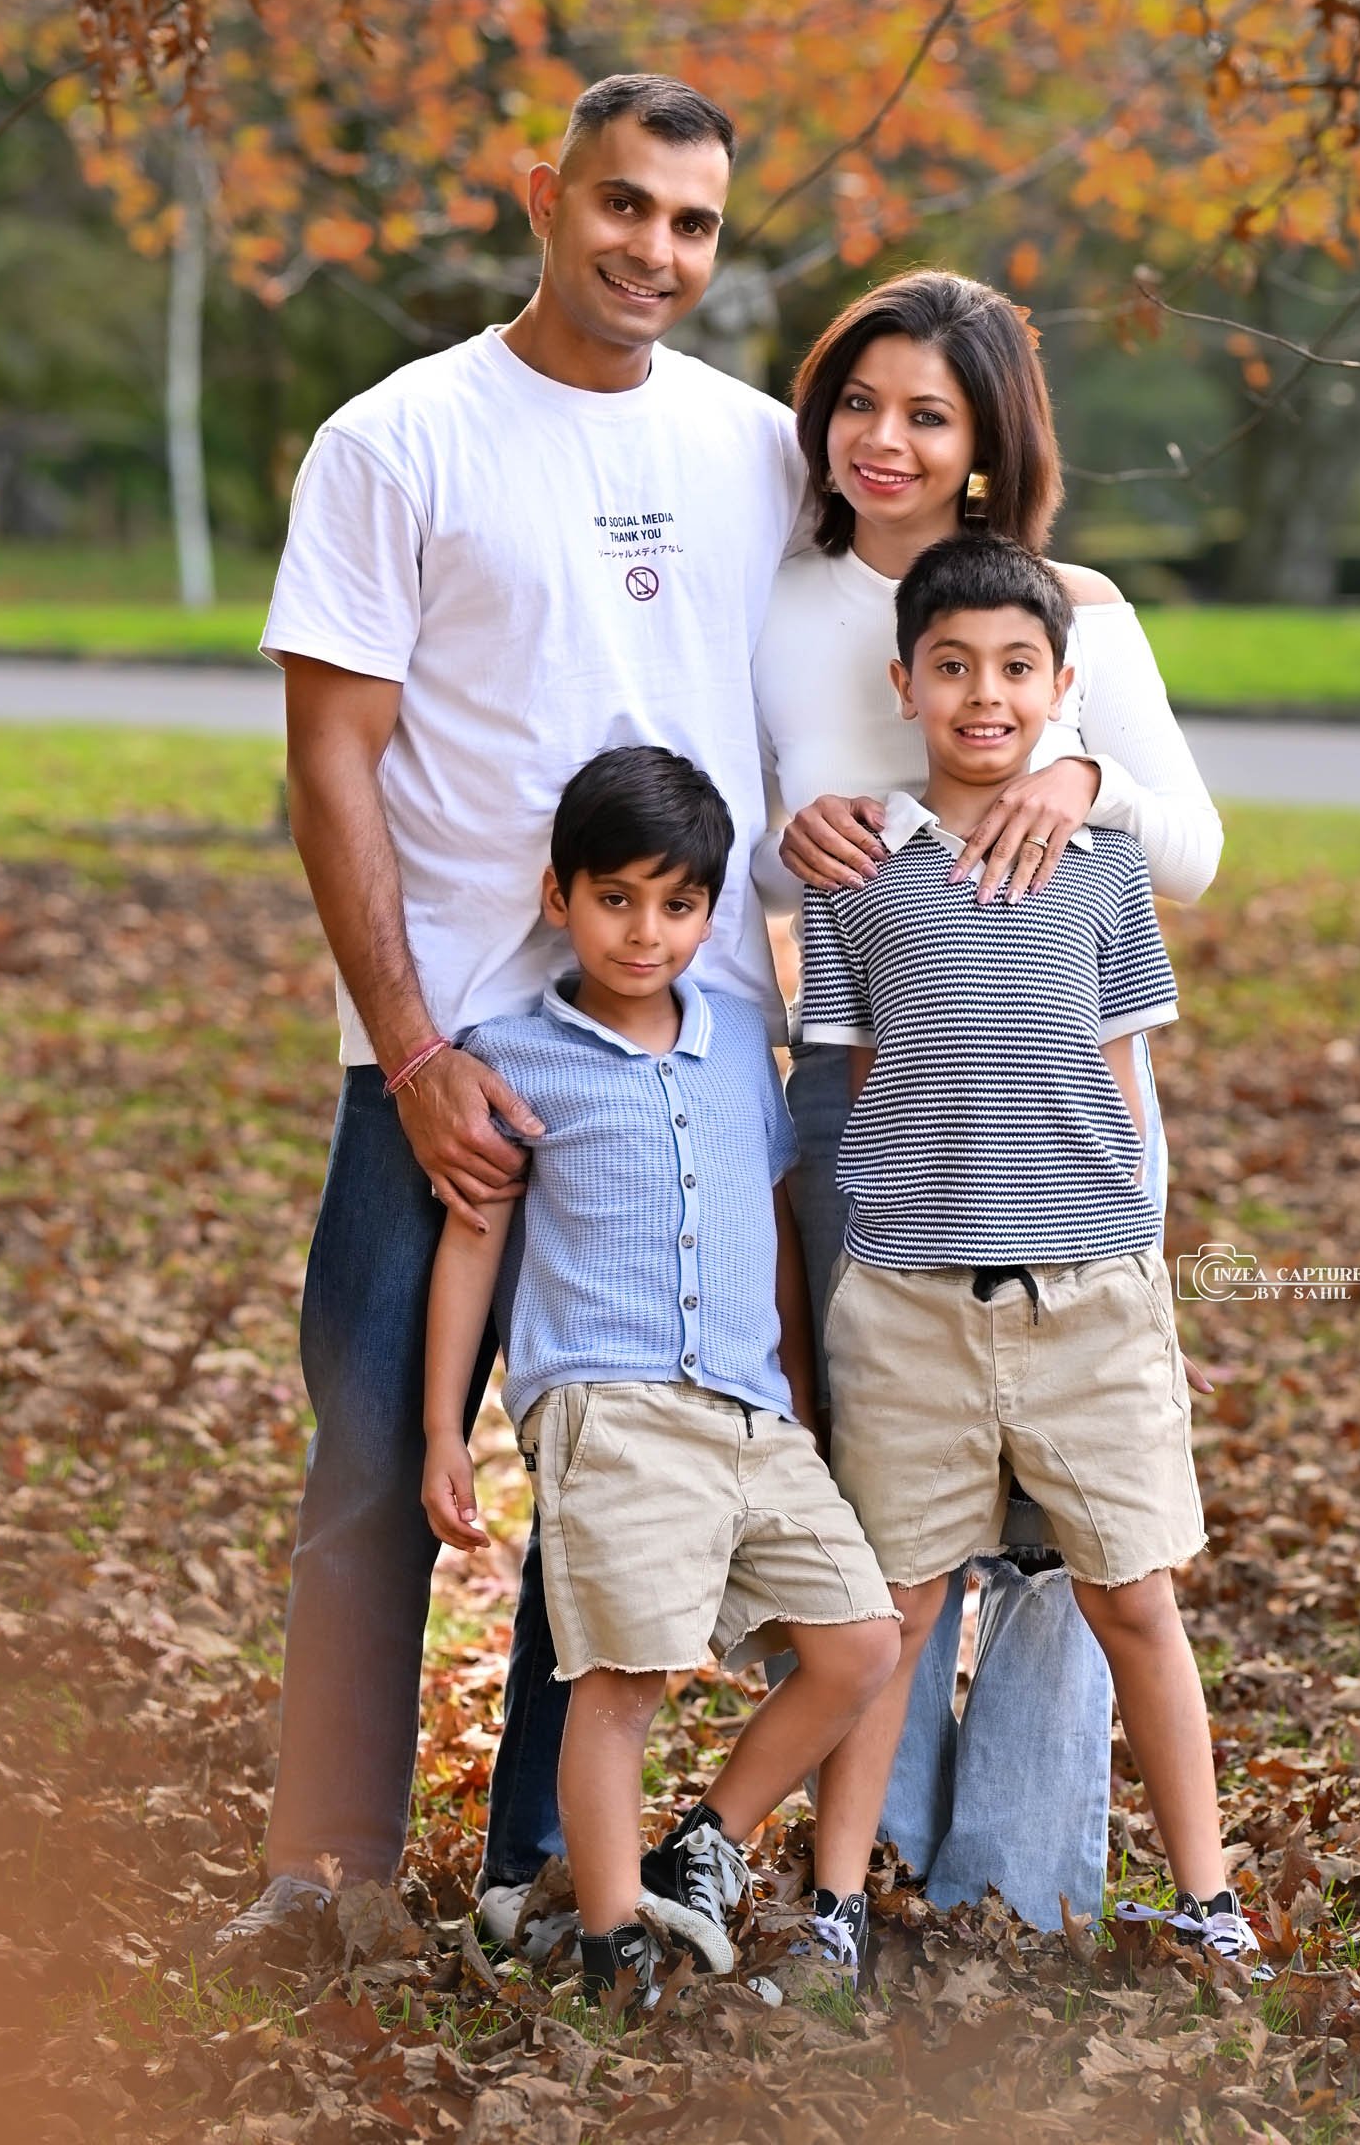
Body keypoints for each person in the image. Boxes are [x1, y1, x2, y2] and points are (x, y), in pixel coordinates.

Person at [221, 73, 810, 1944]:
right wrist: (408, 1050)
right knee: (377, 1460)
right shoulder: (399, 439)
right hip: (453, 1051)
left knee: (621, 1496)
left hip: (684, 1056)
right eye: (624, 206)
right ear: (542, 195)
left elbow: (914, 625)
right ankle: (324, 1872)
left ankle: (561, 1874)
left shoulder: (762, 449)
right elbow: (332, 763)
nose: (655, 250)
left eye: (694, 223)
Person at [751, 269, 1223, 1929]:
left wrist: (1078, 768)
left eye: (925, 413)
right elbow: (737, 839)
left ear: (982, 444)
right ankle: (864, 1860)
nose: (882, 438)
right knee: (904, 1502)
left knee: (1080, 1527)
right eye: (857, 402)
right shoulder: (784, 599)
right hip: (875, 1095)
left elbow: (1189, 845)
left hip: (1070, 1125)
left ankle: (1025, 1868)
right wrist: (782, 848)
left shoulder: (1071, 615)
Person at [799, 532, 1263, 1973]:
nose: (981, 696)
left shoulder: (1104, 869)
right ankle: (824, 1906)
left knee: (1130, 1595)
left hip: (1089, 1301)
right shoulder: (856, 873)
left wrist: (1112, 1238)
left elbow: (1123, 1074)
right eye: (949, 667)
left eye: (1012, 669)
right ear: (903, 682)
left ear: (1060, 688)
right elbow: (856, 1076)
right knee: (893, 1609)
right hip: (909, 1305)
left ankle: (1204, 1896)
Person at [420, 745, 899, 2002]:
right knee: (622, 1681)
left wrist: (797, 1387)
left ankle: (709, 1839)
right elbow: (473, 1246)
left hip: (751, 1408)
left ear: (713, 910)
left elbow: (777, 1216)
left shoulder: (745, 1039)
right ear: (558, 897)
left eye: (678, 904)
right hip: (610, 1407)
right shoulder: (512, 1052)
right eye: (616, 898)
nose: (647, 931)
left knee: (860, 1640)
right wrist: (442, 1431)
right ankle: (609, 1934)